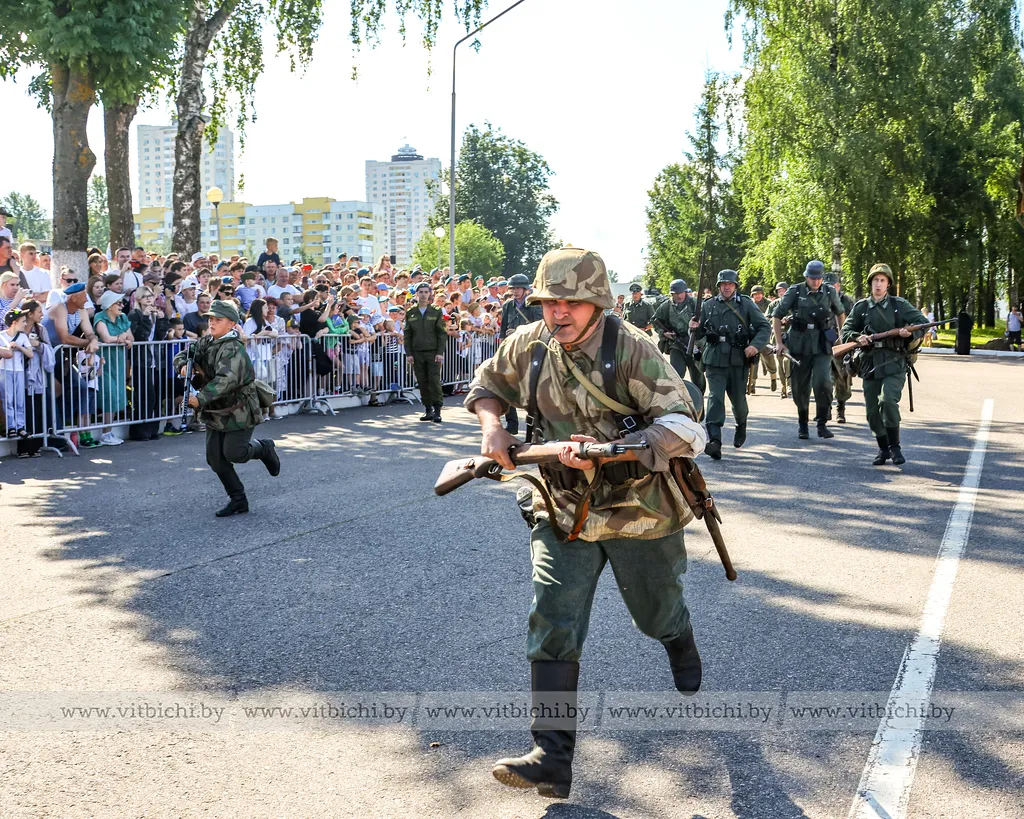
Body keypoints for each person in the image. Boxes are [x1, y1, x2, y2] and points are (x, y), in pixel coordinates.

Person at [465, 246, 706, 799]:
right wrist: (492, 429)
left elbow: (684, 424)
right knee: (553, 619)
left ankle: (678, 637)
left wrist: (611, 449)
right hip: (562, 506)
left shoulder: (631, 349)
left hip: (638, 508)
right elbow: (487, 387)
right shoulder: (528, 345)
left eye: (571, 302)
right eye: (549, 302)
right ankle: (551, 757)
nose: (558, 312)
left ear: (598, 303)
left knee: (655, 613)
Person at [173, 300, 281, 517]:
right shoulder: (207, 341)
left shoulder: (233, 348)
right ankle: (238, 500)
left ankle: (263, 448)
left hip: (239, 408)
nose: (212, 323)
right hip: (215, 409)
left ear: (231, 324)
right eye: (211, 319)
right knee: (215, 458)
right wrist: (184, 365)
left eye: (218, 320)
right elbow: (185, 353)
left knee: (235, 453)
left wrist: (199, 399)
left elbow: (226, 380)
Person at [841, 264, 926, 466]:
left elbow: (922, 323)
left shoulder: (899, 305)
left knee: (887, 401)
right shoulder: (861, 307)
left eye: (882, 280)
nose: (878, 284)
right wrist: (857, 337)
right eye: (875, 280)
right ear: (871, 283)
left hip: (894, 362)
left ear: (888, 284)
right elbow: (845, 331)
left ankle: (895, 447)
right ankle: (883, 448)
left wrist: (909, 333)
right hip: (869, 363)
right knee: (872, 412)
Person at [689, 269, 770, 459]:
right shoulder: (708, 305)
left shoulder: (746, 304)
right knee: (715, 398)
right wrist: (692, 327)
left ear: (735, 286)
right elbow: (699, 333)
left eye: (730, 284)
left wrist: (755, 346)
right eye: (723, 284)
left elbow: (764, 326)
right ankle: (715, 441)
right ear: (719, 286)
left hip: (738, 358)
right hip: (715, 358)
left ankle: (741, 424)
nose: (727, 287)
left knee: (739, 401)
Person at [772, 260, 846, 440]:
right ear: (806, 277)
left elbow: (840, 312)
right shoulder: (795, 291)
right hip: (799, 344)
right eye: (812, 278)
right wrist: (779, 343)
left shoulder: (829, 291)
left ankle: (821, 423)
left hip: (822, 344)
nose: (816, 281)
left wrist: (841, 337)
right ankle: (803, 423)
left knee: (823, 382)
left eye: (819, 278)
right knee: (799, 386)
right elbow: (777, 315)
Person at [498, 273, 543, 435]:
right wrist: (501, 350)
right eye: (513, 288)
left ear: (525, 289)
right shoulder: (507, 305)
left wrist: (518, 330)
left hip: (530, 350)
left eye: (518, 288)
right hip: (512, 350)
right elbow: (503, 328)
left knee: (533, 390)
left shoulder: (535, 305)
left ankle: (536, 425)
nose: (515, 291)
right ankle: (512, 424)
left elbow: (539, 327)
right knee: (508, 386)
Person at [93, 291, 133, 446]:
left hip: (119, 362)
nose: (122, 305)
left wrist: (124, 337)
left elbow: (131, 337)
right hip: (105, 362)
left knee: (117, 396)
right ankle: (105, 433)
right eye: (119, 303)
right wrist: (121, 338)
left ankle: (109, 432)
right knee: (109, 396)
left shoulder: (123, 317)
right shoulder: (100, 317)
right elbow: (106, 338)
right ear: (109, 306)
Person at [652, 278, 706, 394]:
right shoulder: (666, 306)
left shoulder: (695, 303)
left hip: (694, 344)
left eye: (681, 292)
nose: (680, 296)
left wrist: (699, 339)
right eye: (676, 293)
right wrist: (664, 333)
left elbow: (707, 322)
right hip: (676, 344)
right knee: (676, 374)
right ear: (672, 294)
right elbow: (655, 321)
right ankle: (678, 399)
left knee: (697, 375)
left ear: (685, 292)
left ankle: (699, 400)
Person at [404, 282, 446, 422]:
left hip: (433, 352)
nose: (423, 295)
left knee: (434, 381)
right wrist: (409, 353)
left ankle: (437, 410)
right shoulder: (411, 312)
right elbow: (407, 334)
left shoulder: (436, 311)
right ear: (416, 294)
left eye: (426, 292)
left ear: (430, 294)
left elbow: (441, 333)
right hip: (417, 352)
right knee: (422, 382)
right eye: (421, 292)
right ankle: (428, 409)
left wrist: (440, 352)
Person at [823, 272, 855, 422]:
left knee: (842, 378)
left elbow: (854, 321)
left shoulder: (847, 301)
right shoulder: (819, 300)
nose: (830, 289)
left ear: (838, 286)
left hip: (841, 343)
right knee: (824, 378)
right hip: (823, 343)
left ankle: (840, 409)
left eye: (833, 286)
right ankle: (826, 408)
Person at [1, 308, 35, 438]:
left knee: (19, 399)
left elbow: (30, 354)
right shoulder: (2, 335)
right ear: (14, 322)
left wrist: (20, 347)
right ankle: (10, 426)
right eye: (23, 321)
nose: (25, 324)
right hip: (4, 370)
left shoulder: (22, 337)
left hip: (19, 370)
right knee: (8, 399)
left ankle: (20, 426)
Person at [744, 285, 778, 395]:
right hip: (752, 335)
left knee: (769, 356)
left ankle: (773, 377)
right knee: (753, 360)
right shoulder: (749, 304)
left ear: (762, 294)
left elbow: (772, 316)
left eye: (759, 294)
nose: (757, 296)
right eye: (755, 294)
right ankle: (752, 384)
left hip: (764, 334)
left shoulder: (769, 304)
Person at [765, 282, 791, 398]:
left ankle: (789, 385)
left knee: (788, 359)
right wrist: (777, 320)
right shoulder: (773, 304)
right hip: (777, 336)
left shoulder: (793, 303)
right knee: (779, 362)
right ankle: (783, 386)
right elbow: (766, 319)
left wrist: (789, 320)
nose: (781, 292)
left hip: (790, 335)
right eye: (779, 291)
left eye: (783, 290)